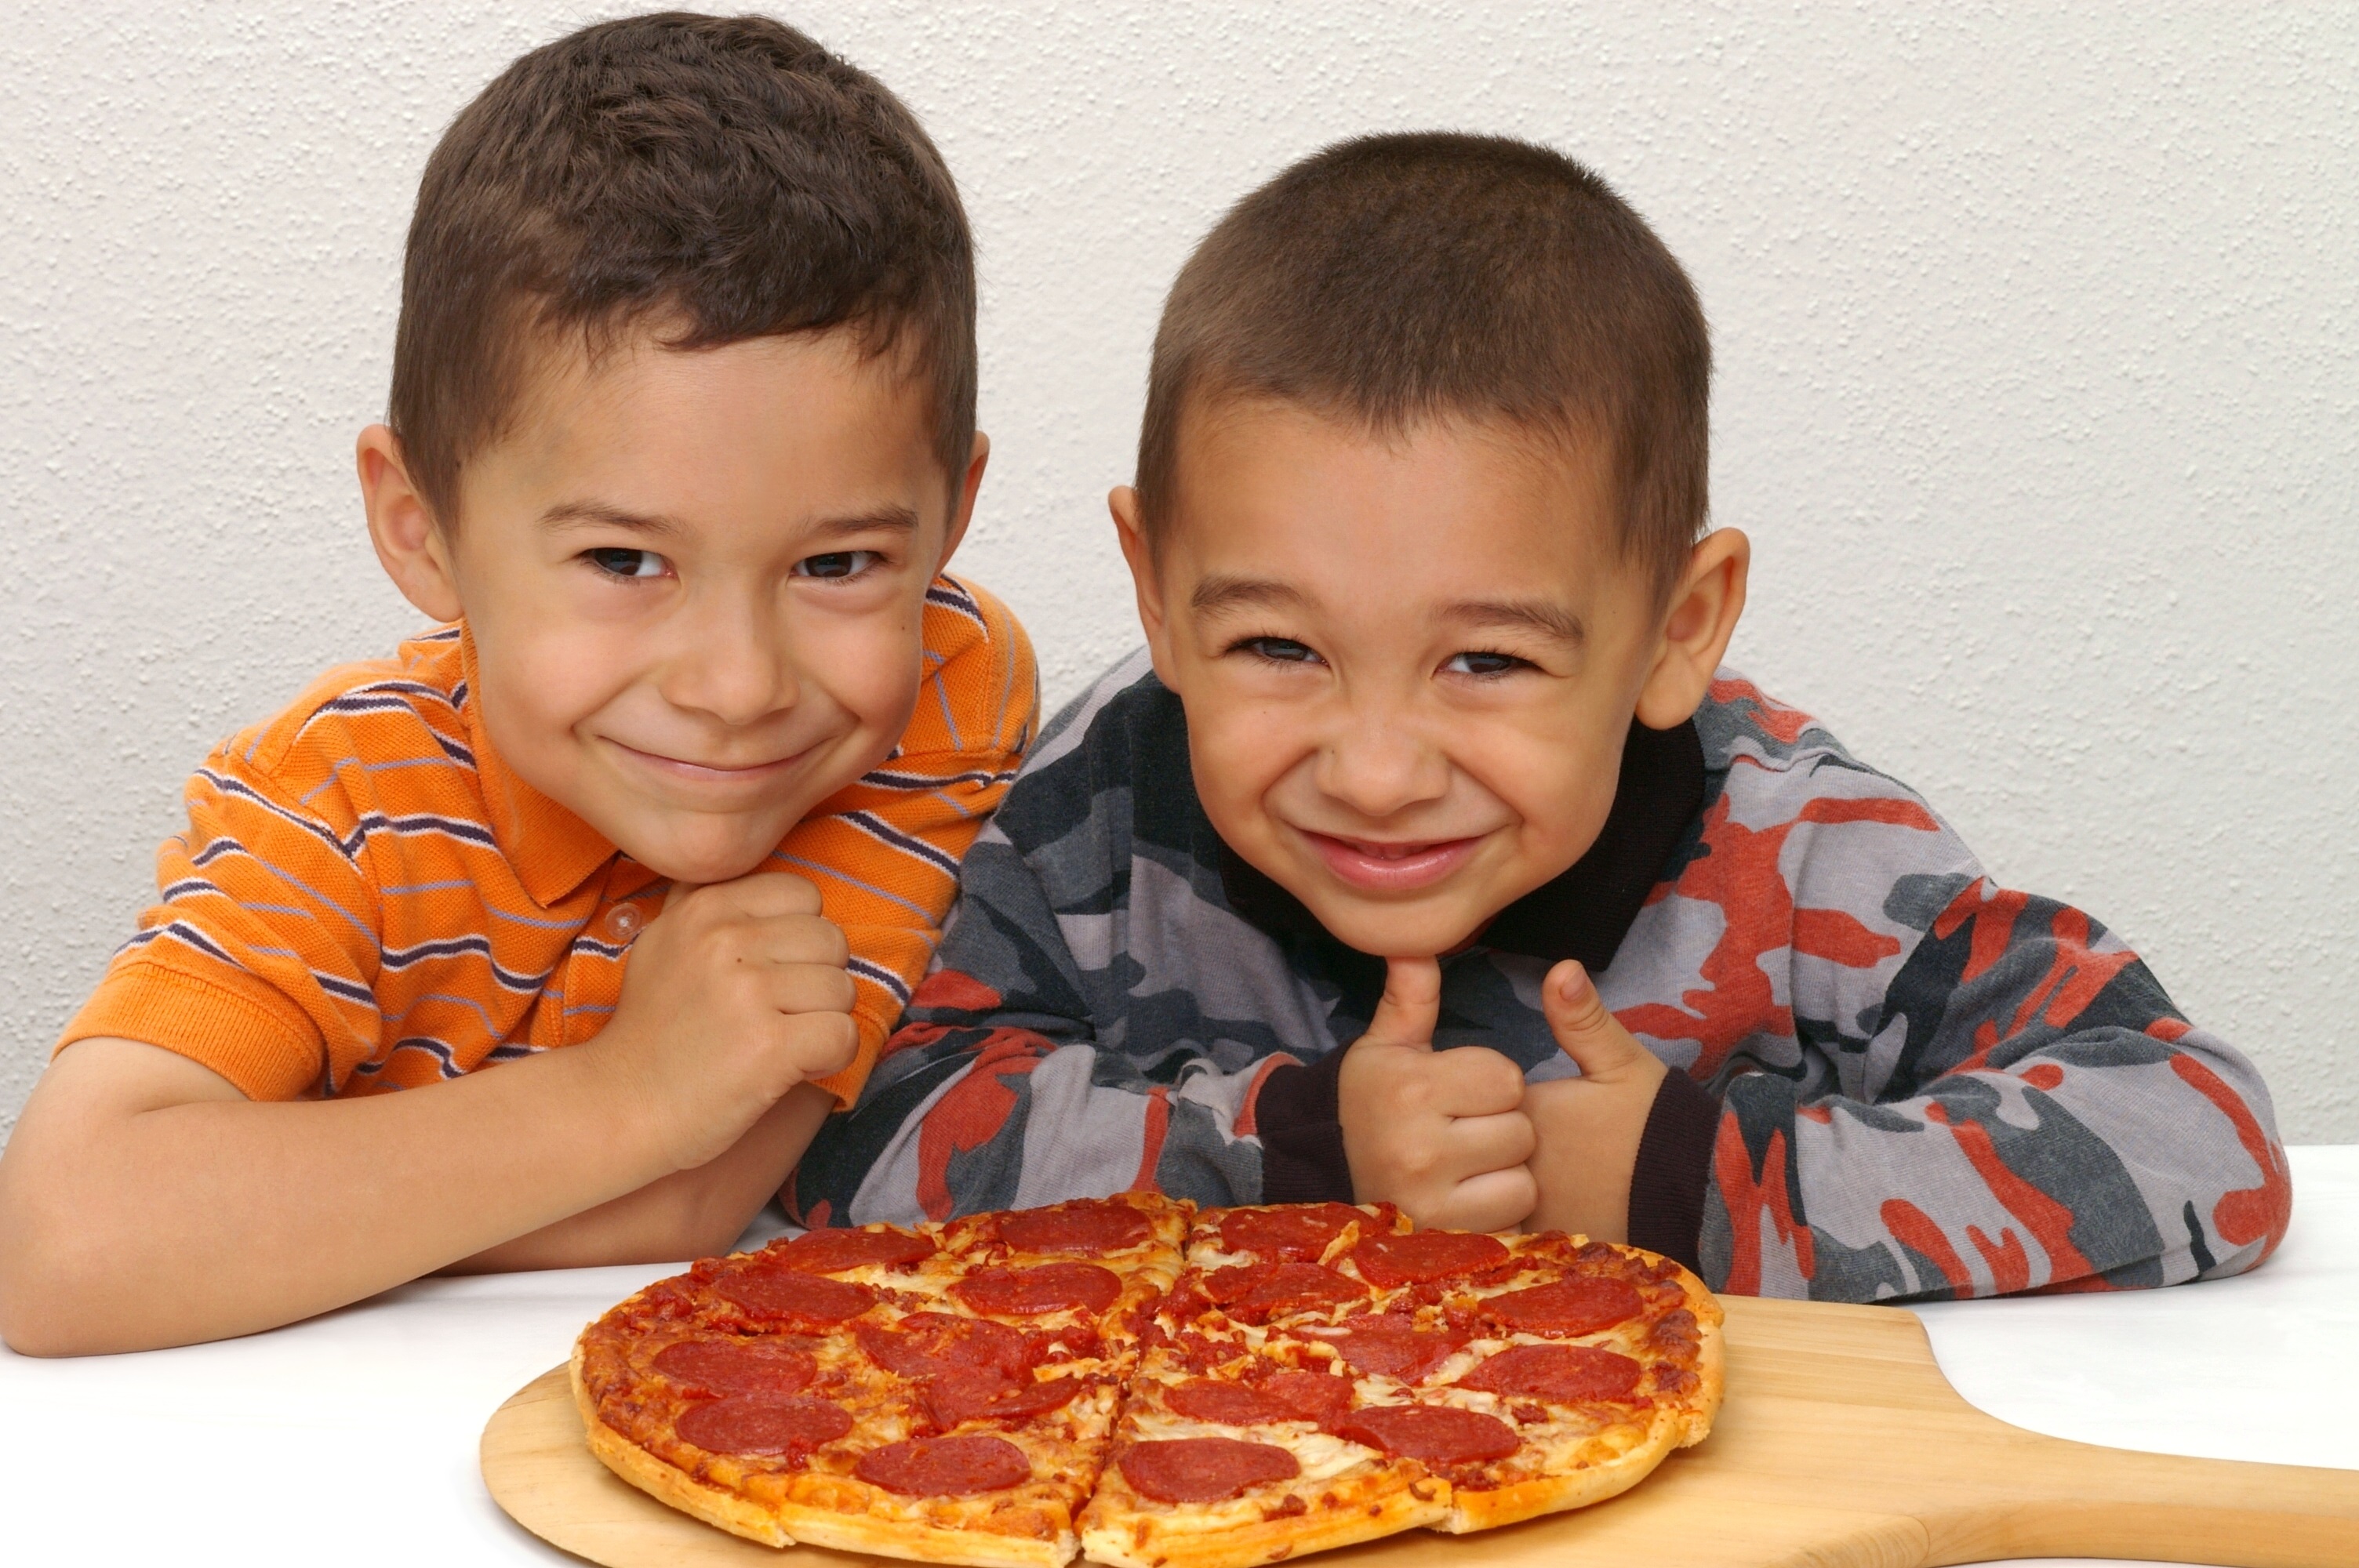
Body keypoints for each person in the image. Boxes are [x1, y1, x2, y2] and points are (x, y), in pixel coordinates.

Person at [787, 132, 2291, 1302]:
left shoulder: (1804, 849)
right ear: (1158, 595)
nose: (1374, 771)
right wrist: (1301, 1152)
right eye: (1275, 646)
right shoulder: (1094, 815)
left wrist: (1690, 1183)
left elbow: (2197, 1129)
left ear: (1677, 630)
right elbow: (851, 1131)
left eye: (1488, 664)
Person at [0, 13, 1035, 1355]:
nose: (738, 685)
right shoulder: (338, 804)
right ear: (421, 527)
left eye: (836, 561)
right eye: (623, 558)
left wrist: (295, 1199)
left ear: (949, 517)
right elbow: (65, 1244)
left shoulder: (938, 683)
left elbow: (697, 1201)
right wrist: (633, 1094)